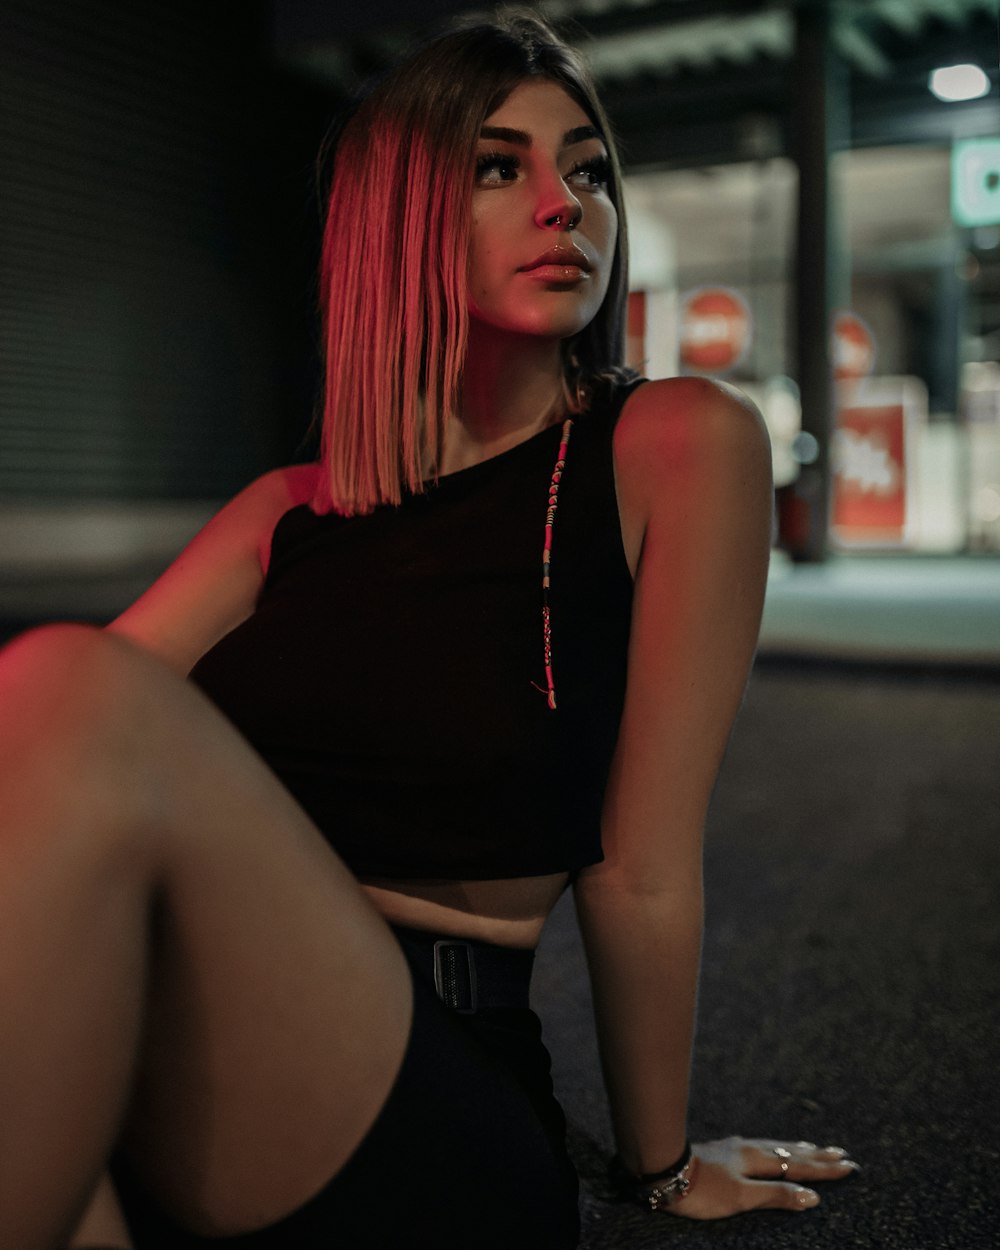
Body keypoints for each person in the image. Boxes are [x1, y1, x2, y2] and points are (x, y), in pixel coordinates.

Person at [0, 11, 859, 1249]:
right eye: (498, 166)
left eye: (588, 167)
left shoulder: (673, 444)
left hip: (423, 1090)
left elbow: (645, 864)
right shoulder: (281, 513)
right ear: (394, 217)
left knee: (75, 682)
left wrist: (659, 1164)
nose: (566, 203)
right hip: (168, 1030)